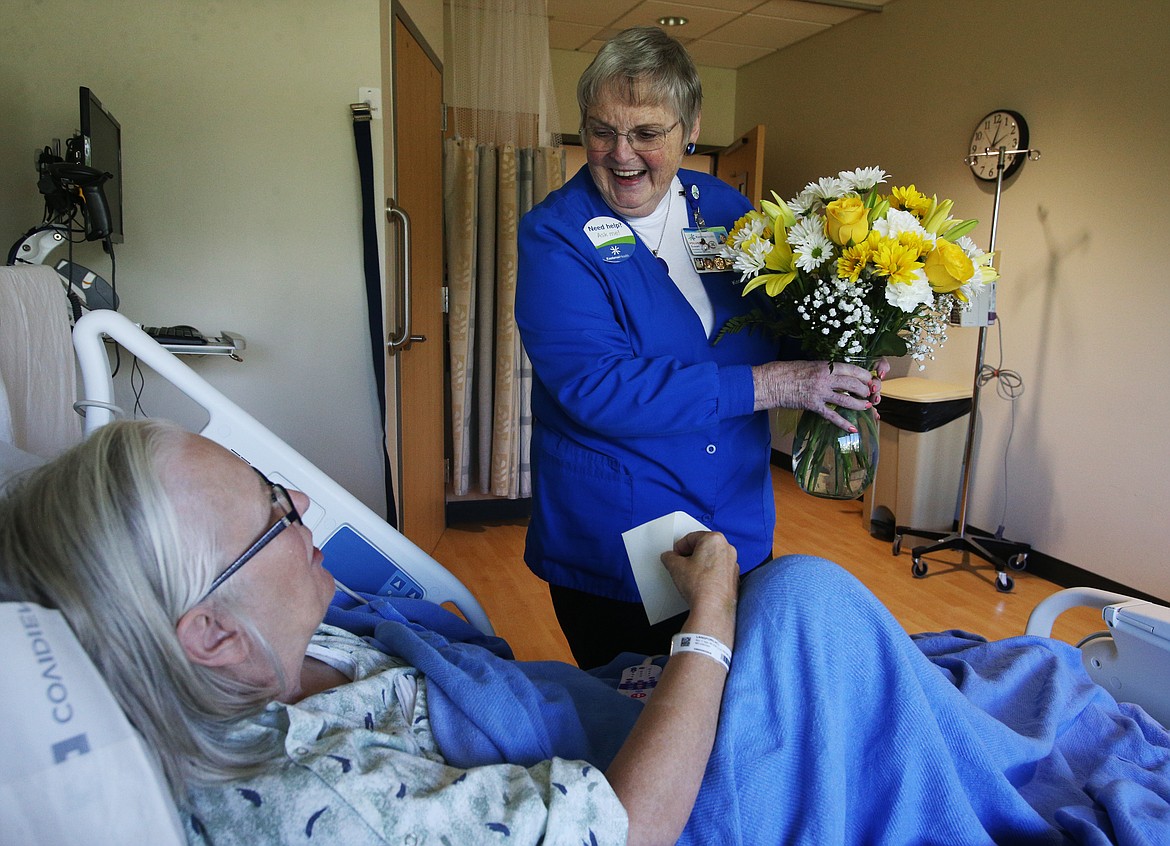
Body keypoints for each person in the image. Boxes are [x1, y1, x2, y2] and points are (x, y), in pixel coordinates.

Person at [2, 420, 1168, 845]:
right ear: (206, 637)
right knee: (804, 605)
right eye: (271, 511)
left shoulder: (284, 653)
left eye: (276, 483)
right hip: (662, 806)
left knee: (847, 633)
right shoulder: (322, 804)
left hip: (610, 715)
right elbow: (619, 828)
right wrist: (711, 620)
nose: (303, 506)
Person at [516, 26, 888, 669]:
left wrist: (846, 343)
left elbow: (768, 315)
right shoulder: (556, 237)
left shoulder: (722, 208)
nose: (619, 154)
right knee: (642, 718)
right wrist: (776, 385)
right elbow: (599, 386)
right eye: (601, 130)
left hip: (735, 517)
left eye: (647, 134)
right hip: (625, 534)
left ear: (691, 127)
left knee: (737, 711)